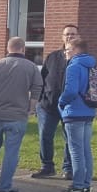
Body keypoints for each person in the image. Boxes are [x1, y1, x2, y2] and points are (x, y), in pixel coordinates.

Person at [0, 37, 43, 192]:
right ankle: (5, 187)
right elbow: (37, 89)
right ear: (23, 49)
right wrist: (31, 109)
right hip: (17, 116)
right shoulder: (31, 67)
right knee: (11, 151)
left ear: (7, 48)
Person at [31, 24, 80, 180]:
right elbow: (42, 78)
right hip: (48, 105)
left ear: (78, 37)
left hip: (71, 106)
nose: (70, 37)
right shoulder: (52, 57)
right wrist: (39, 101)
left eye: (73, 34)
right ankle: (47, 167)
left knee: (69, 138)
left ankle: (68, 168)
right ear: (62, 37)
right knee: (45, 135)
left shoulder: (81, 59)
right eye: (67, 34)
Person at [58, 38, 97, 192]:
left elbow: (71, 91)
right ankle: (87, 185)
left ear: (75, 50)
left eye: (67, 49)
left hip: (74, 112)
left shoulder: (74, 66)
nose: (65, 52)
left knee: (75, 151)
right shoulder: (91, 64)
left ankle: (78, 186)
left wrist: (61, 102)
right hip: (89, 110)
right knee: (86, 149)